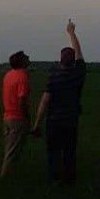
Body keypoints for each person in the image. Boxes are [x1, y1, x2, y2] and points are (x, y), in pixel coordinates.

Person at [31, 21, 86, 185]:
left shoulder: (54, 77)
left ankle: (54, 180)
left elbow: (44, 102)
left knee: (53, 152)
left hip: (54, 121)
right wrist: (71, 33)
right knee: (69, 151)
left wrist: (37, 124)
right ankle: (69, 180)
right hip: (71, 120)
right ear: (73, 61)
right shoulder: (79, 74)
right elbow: (79, 53)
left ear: (60, 61)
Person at [0, 50, 32, 178]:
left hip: (7, 117)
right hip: (17, 119)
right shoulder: (22, 76)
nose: (28, 57)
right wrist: (27, 118)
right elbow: (22, 99)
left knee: (11, 149)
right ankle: (5, 179)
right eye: (25, 57)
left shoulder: (9, 75)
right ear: (22, 62)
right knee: (12, 152)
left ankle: (10, 177)